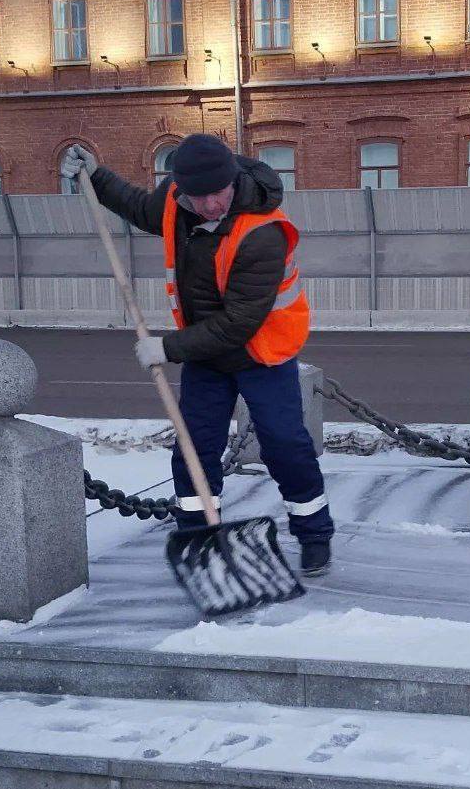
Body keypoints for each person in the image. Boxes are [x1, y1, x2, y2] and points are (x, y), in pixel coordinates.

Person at [60, 135, 333, 576]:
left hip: (262, 352)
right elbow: (140, 207)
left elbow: (239, 323)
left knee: (284, 444)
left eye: (218, 194)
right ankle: (199, 537)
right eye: (197, 197)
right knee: (193, 449)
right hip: (207, 357)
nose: (209, 206)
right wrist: (97, 176)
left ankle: (314, 534)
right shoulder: (177, 201)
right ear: (181, 189)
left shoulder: (262, 232)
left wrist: (167, 348)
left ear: (233, 181)